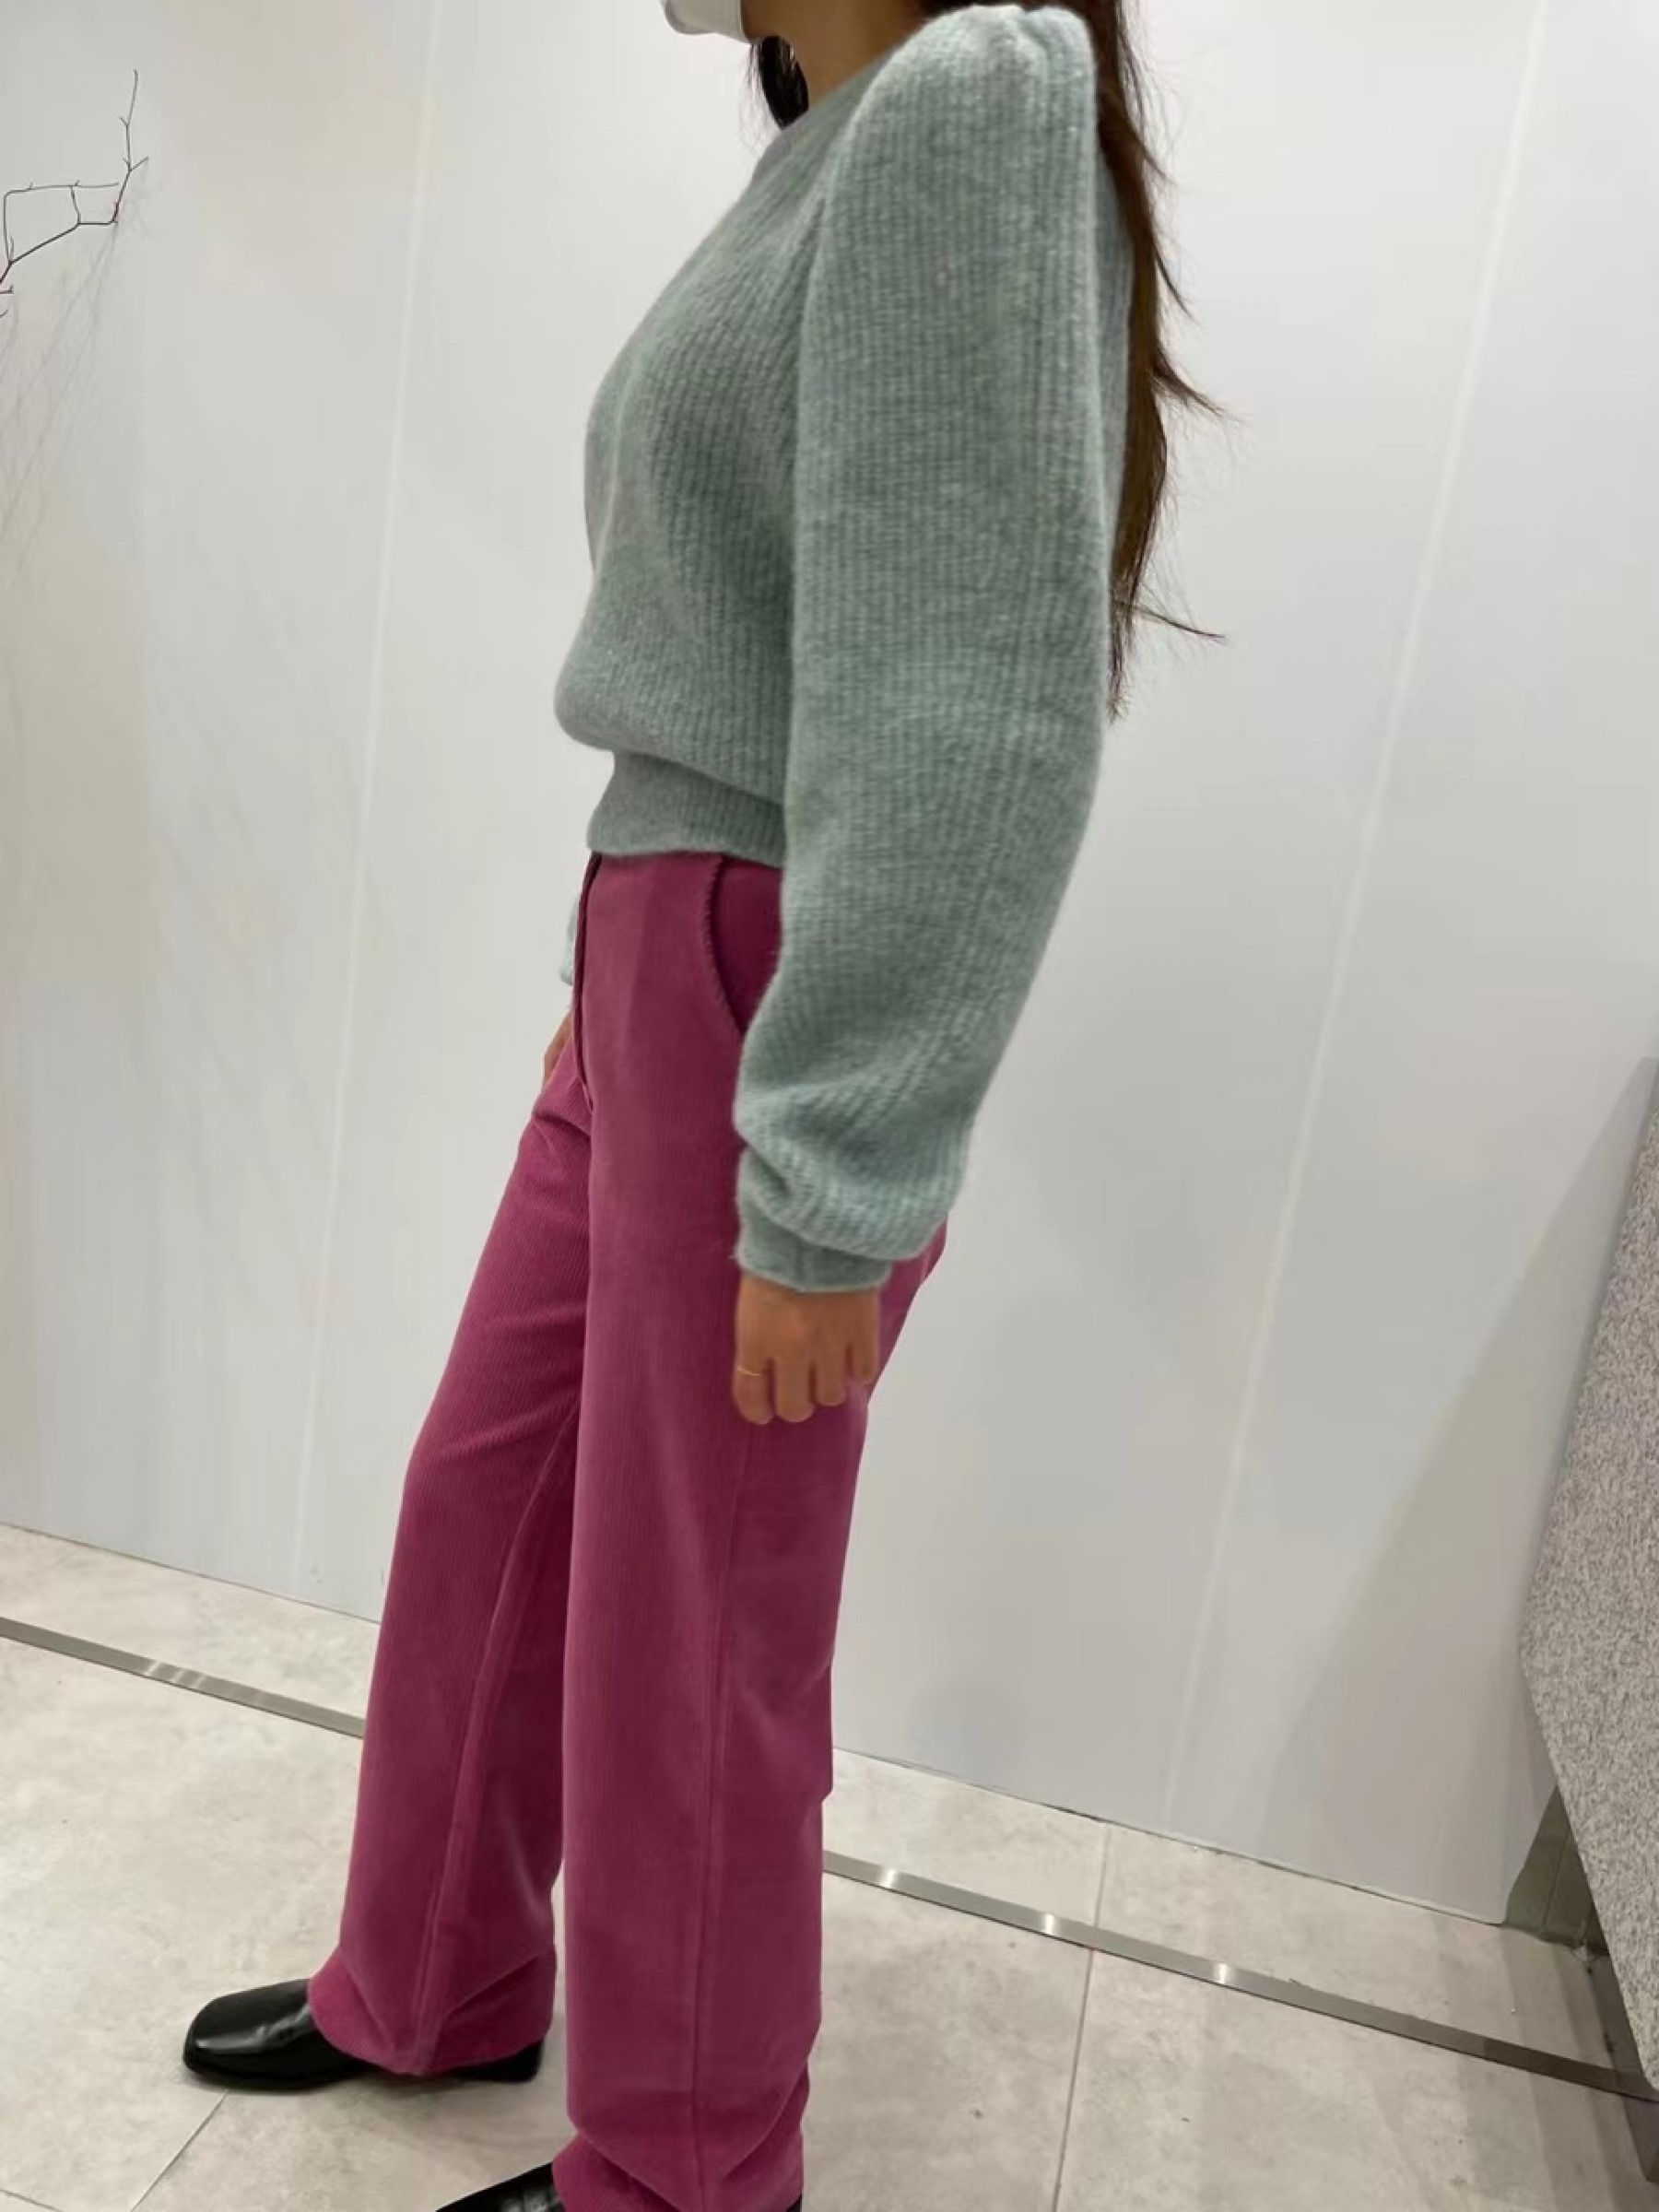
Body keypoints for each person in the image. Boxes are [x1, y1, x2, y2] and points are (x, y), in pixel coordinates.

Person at [182, 2, 1202, 2207]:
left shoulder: (976, 90)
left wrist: (839, 1166)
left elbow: (974, 707)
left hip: (766, 997)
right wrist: (608, 989)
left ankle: (687, 2172)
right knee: (490, 1491)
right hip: (660, 959)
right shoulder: (832, 150)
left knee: (692, 1633)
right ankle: (436, 1975)